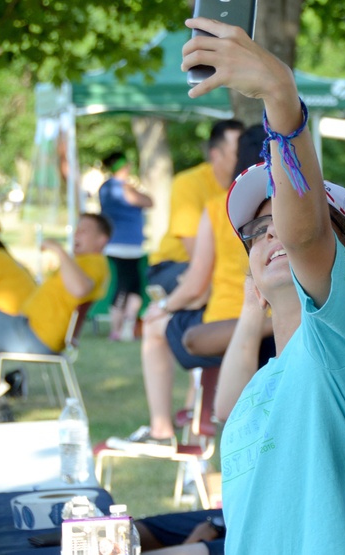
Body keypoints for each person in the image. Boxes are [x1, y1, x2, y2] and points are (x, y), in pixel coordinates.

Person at [183, 20, 345, 553]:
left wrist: (281, 100)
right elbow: (224, 413)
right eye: (255, 233)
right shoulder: (265, 383)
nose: (273, 234)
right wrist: (250, 307)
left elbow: (304, 232)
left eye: (281, 222)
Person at [108, 126, 265, 453]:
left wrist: (164, 307)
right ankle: (195, 407)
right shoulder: (300, 206)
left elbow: (196, 283)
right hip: (282, 325)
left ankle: (161, 427)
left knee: (154, 326)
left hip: (226, 324)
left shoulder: (219, 206)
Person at [0, 213, 110, 401]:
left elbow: (80, 289)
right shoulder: (81, 263)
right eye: (77, 229)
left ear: (102, 240)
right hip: (26, 328)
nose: (77, 234)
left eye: (84, 231)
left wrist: (59, 251)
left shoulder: (94, 263)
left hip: (33, 335)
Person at [145, 119, 244, 295]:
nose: (244, 157)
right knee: (208, 289)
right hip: (172, 266)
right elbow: (196, 256)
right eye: (237, 152)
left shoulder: (243, 186)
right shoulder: (188, 183)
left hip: (216, 266)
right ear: (215, 155)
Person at [98, 151, 154, 341]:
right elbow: (147, 201)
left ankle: (126, 328)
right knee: (125, 287)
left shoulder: (105, 187)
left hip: (123, 245)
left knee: (133, 287)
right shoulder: (121, 187)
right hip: (124, 246)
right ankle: (118, 329)